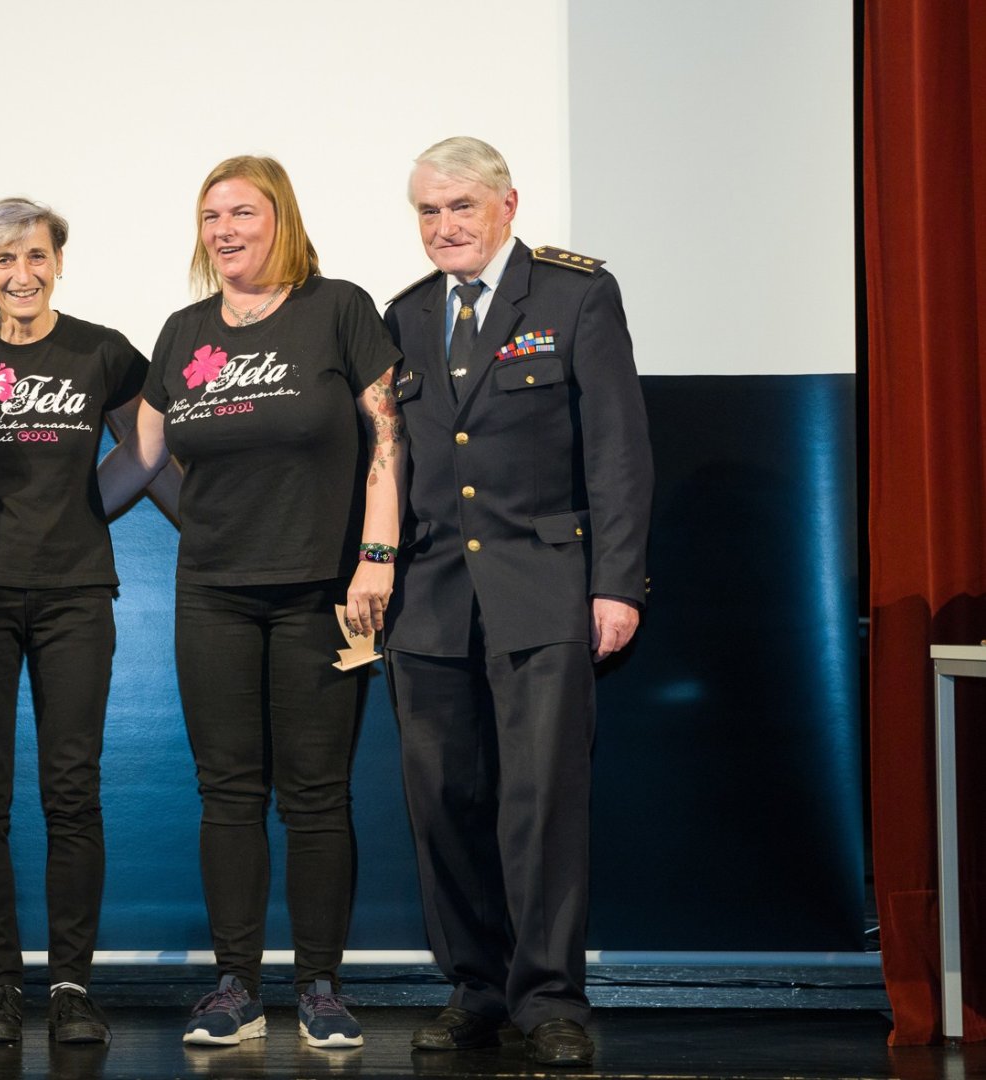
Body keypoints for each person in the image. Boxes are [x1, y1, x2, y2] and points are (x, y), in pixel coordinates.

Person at [100, 155, 405, 1049]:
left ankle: (321, 988)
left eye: (243, 212)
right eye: (211, 216)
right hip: (213, 594)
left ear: (281, 220)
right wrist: (41, 515)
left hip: (325, 594)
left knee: (316, 795)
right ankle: (235, 986)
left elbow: (388, 441)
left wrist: (376, 557)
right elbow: (140, 460)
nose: (225, 229)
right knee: (228, 792)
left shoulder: (338, 309)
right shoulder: (184, 330)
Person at [382, 135, 652, 1068]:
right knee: (442, 802)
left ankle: (548, 999)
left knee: (540, 802)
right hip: (430, 599)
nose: (444, 225)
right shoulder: (406, 313)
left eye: (461, 205)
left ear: (508, 205)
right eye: (428, 210)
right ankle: (476, 987)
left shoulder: (576, 296)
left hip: (544, 589)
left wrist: (616, 582)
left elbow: (617, 450)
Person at [0, 197, 174, 1046]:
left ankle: (72, 987)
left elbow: (148, 451)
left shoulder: (102, 351)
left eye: (36, 255)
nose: (22, 273)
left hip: (75, 594)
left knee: (72, 791)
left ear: (58, 261)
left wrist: (88, 506)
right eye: (3, 259)